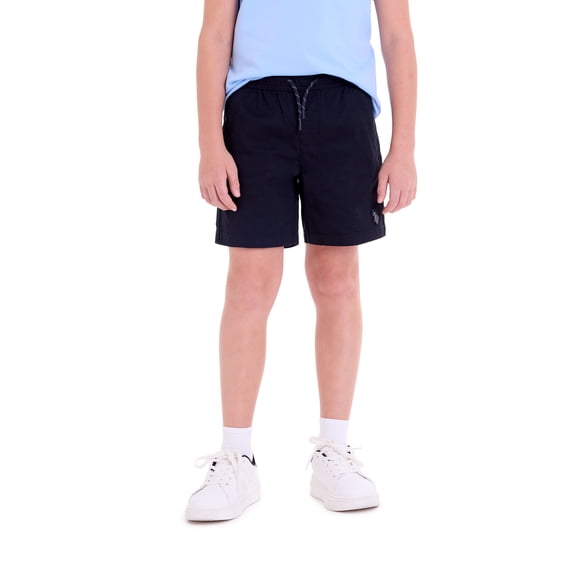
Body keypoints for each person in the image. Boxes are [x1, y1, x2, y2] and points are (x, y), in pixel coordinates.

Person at [186, 0, 417, 521]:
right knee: (249, 284)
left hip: (343, 106)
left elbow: (397, 36)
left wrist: (402, 147)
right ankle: (236, 456)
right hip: (253, 107)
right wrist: (209, 142)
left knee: (337, 280)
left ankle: (334, 449)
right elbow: (215, 34)